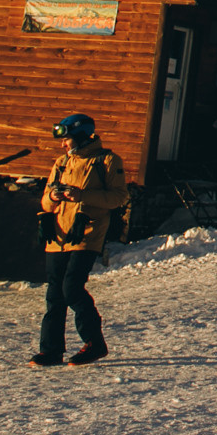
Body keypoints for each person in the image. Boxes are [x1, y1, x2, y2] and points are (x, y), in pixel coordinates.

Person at [32, 113, 129, 368]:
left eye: (67, 139)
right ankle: (51, 351)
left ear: (81, 136)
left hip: (87, 234)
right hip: (59, 236)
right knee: (54, 294)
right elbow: (44, 201)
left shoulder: (107, 160)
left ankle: (94, 343)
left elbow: (119, 197)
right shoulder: (61, 163)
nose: (63, 144)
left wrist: (81, 196)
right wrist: (53, 198)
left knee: (71, 288)